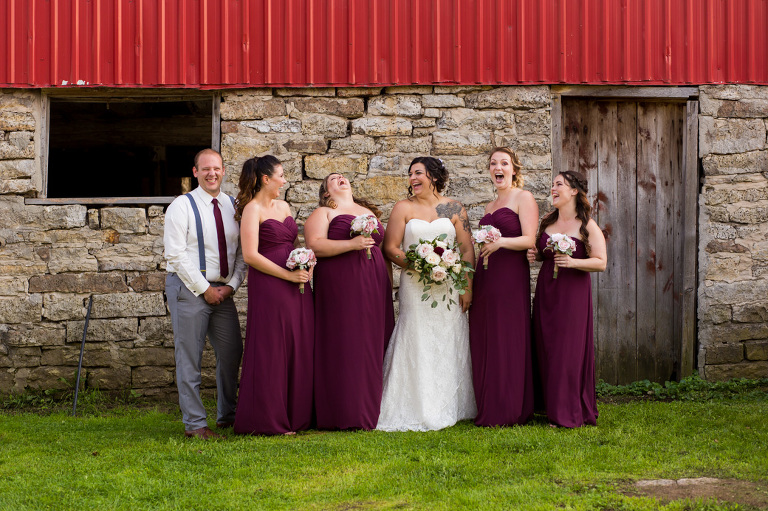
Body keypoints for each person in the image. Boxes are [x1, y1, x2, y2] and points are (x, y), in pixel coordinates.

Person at [377, 156, 477, 432]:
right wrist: (419, 264)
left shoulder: (454, 207)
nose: (412, 178)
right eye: (410, 174)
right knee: (416, 336)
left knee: (448, 337)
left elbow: (467, 249)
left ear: (433, 176)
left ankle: (451, 403)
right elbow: (391, 247)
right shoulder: (403, 208)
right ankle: (415, 404)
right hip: (415, 284)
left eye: (418, 173)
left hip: (449, 284)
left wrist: (466, 285)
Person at [164, 148, 247, 440]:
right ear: (195, 172)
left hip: (222, 292)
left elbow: (241, 254)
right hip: (188, 288)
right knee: (190, 357)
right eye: (206, 168)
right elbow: (174, 254)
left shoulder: (234, 206)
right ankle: (195, 424)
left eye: (217, 168)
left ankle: (228, 415)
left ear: (223, 171)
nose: (212, 173)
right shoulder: (181, 206)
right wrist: (204, 289)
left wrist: (231, 286)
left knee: (232, 351)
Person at [304, 173, 395, 430]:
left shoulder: (368, 211)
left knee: (372, 343)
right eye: (332, 179)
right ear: (325, 193)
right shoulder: (322, 214)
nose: (340, 178)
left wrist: (387, 285)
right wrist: (352, 244)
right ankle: (344, 411)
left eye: (342, 176)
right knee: (346, 342)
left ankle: (375, 408)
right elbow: (316, 246)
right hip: (340, 284)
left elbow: (382, 251)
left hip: (374, 286)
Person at [233, 155, 314, 436]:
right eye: (281, 175)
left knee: (298, 342)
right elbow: (251, 255)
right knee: (273, 347)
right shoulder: (252, 210)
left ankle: (298, 415)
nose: (284, 180)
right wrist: (287, 275)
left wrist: (306, 263)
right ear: (266, 179)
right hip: (270, 284)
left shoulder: (284, 205)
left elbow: (294, 243)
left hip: (298, 283)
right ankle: (268, 419)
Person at [527, 170, 607, 428]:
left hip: (572, 295)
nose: (553, 188)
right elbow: (543, 254)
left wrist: (573, 262)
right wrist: (535, 256)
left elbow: (601, 263)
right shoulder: (547, 222)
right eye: (553, 184)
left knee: (566, 352)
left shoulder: (587, 225)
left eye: (558, 184)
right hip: (547, 292)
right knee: (546, 346)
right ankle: (547, 405)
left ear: (574, 191)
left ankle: (566, 412)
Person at [469, 148, 538, 427]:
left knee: (507, 334)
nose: (498, 167)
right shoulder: (488, 206)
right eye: (493, 164)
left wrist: (500, 243)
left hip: (510, 276)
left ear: (514, 169)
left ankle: (510, 407)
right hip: (486, 277)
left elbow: (529, 239)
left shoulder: (524, 198)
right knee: (487, 335)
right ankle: (490, 403)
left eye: (504, 163)